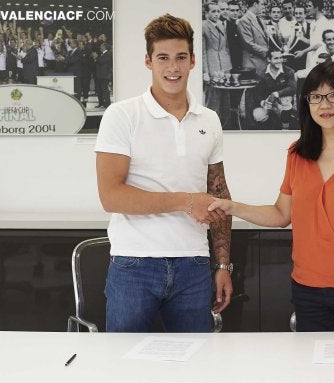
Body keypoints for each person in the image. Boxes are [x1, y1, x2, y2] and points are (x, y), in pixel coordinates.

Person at [208, 61, 334, 332]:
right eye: (316, 96)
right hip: (308, 288)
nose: (325, 104)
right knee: (314, 370)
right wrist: (232, 206)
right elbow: (281, 214)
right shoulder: (297, 154)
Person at [94, 13, 233, 333]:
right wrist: (186, 202)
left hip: (194, 265)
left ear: (193, 61)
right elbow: (111, 196)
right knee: (125, 367)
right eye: (163, 58)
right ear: (148, 61)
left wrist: (223, 264)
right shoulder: (121, 115)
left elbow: (220, 194)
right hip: (134, 265)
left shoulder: (209, 119)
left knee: (195, 366)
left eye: (181, 57)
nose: (173, 67)